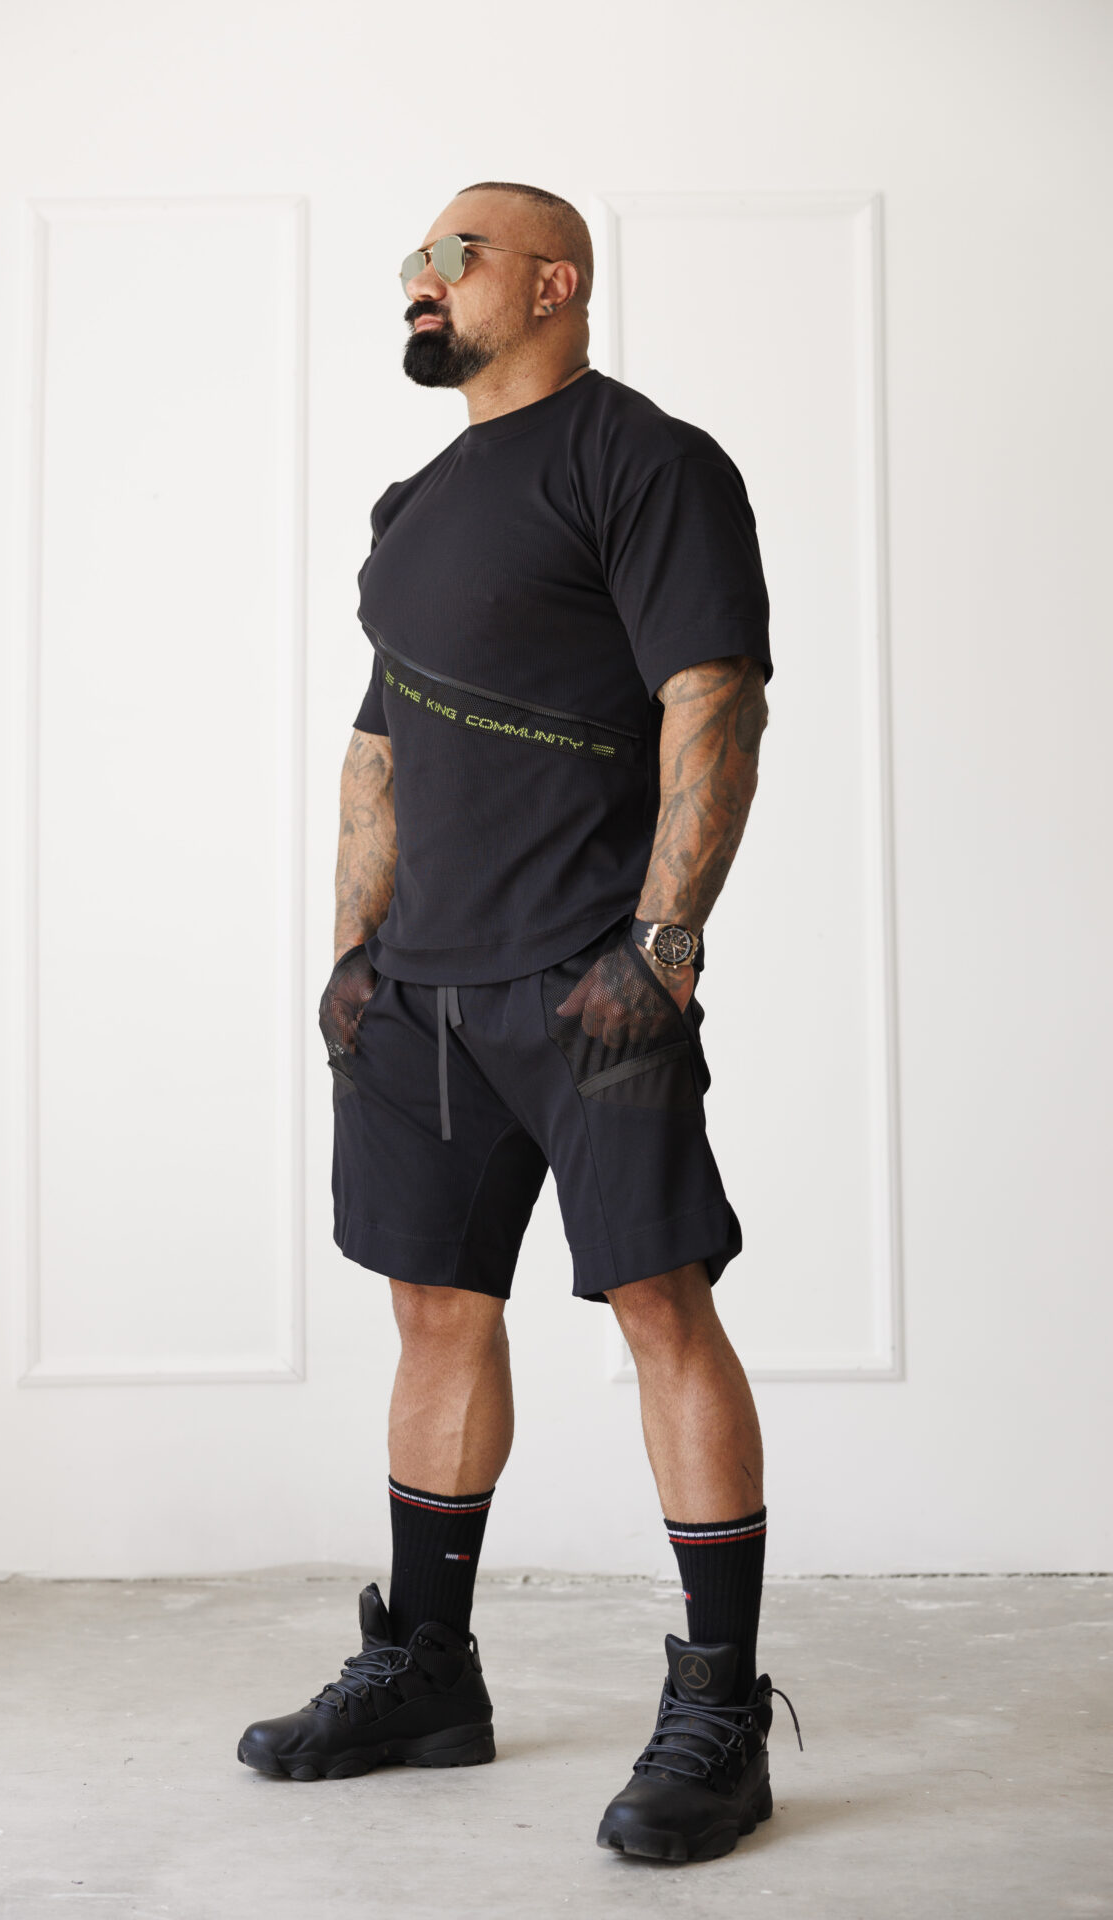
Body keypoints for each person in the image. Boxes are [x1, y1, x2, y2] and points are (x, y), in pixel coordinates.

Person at [237, 179, 800, 1862]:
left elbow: (713, 692)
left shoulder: (646, 461)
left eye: (454, 254)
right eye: (413, 259)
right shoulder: (414, 506)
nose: (420, 277)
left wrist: (664, 944)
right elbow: (379, 747)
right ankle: (427, 1672)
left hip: (588, 980)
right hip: (418, 996)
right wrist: (352, 956)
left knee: (660, 1305)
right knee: (433, 1315)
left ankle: (718, 1716)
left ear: (552, 283)